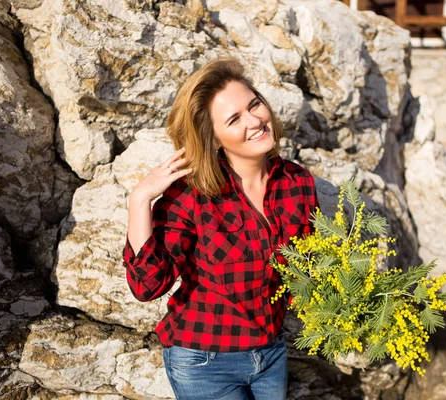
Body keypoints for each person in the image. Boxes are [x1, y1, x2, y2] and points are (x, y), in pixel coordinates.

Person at [122, 58, 319, 400]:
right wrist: (140, 199)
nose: (256, 121)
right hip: (204, 360)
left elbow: (311, 264)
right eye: (234, 119)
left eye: (254, 104)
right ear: (213, 137)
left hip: (271, 353)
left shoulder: (296, 182)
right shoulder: (191, 195)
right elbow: (147, 286)